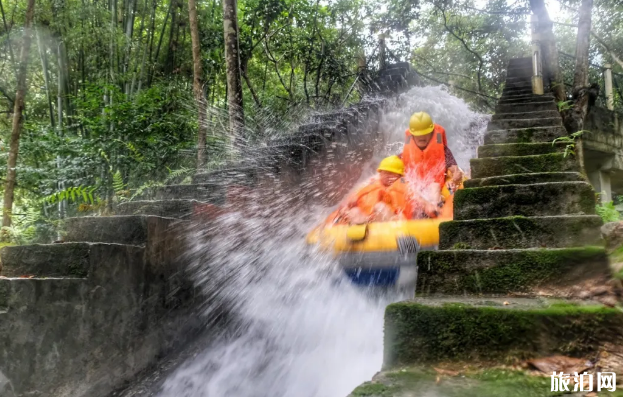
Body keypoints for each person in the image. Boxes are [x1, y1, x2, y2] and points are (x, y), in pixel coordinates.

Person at [399, 111, 464, 218]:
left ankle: (435, 212)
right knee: (409, 187)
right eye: (418, 134)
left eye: (425, 133)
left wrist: (456, 175)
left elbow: (454, 169)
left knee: (434, 186)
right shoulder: (405, 151)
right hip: (415, 186)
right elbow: (396, 169)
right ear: (412, 134)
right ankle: (420, 213)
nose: (422, 136)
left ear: (432, 132)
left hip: (435, 186)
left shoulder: (443, 150)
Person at [325, 156, 416, 225]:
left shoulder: (405, 186)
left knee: (380, 207)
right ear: (380, 173)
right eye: (387, 173)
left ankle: (366, 223)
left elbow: (417, 202)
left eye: (395, 175)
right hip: (369, 218)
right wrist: (345, 209)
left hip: (392, 219)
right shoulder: (370, 185)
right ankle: (362, 224)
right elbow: (348, 202)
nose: (390, 177)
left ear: (401, 176)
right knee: (354, 212)